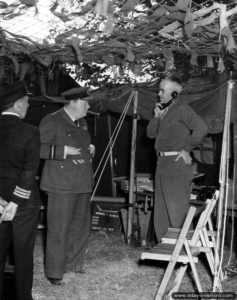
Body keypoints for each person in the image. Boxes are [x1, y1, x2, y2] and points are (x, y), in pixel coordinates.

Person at [39, 87, 95, 285]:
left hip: (81, 182)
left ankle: (74, 264)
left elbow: (80, 149)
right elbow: (38, 148)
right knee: (59, 229)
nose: (89, 105)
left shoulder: (82, 122)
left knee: (80, 227)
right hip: (60, 184)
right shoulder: (52, 120)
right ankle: (55, 273)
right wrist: (62, 150)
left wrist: (90, 148)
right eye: (85, 102)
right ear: (72, 102)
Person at [147, 76, 208, 243]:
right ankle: (166, 252)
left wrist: (186, 149)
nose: (158, 94)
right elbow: (150, 134)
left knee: (178, 213)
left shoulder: (182, 109)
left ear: (174, 94)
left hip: (176, 165)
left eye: (162, 90)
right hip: (162, 165)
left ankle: (185, 254)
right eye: (159, 90)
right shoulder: (163, 111)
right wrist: (156, 117)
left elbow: (201, 128)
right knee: (162, 213)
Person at [0, 81, 41, 300]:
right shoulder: (30, 132)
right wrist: (15, 202)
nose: (27, 107)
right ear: (17, 104)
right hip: (24, 205)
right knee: (23, 255)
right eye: (26, 103)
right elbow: (29, 171)